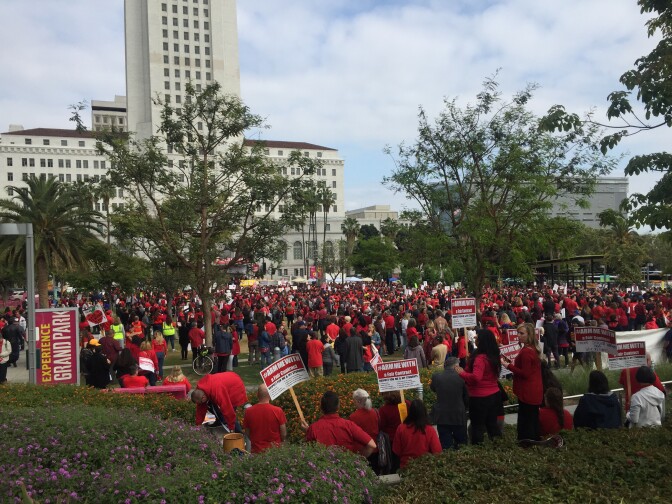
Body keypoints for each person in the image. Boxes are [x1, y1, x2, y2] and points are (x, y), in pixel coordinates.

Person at [456, 329, 502, 444]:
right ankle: (498, 447)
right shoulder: (493, 354)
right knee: (492, 425)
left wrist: (461, 373)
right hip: (494, 394)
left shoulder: (480, 358)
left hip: (479, 397)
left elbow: (476, 377)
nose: (474, 339)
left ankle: (478, 450)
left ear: (482, 341)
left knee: (477, 427)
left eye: (477, 338)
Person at [301, 391, 376, 456]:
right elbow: (372, 445)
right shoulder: (348, 425)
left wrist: (308, 431)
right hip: (347, 469)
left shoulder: (313, 428)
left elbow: (309, 452)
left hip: (324, 470)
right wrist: (357, 460)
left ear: (321, 408)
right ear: (338, 406)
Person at [502, 323, 543, 441]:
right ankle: (533, 440)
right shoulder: (532, 348)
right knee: (532, 418)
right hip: (534, 389)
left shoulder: (526, 351)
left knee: (526, 420)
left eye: (521, 333)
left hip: (528, 390)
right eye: (518, 333)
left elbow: (525, 373)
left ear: (529, 335)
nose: (518, 336)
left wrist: (508, 365)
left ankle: (527, 442)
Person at [430, 356, 468, 449]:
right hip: (458, 414)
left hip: (442, 415)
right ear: (456, 366)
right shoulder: (462, 377)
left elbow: (433, 388)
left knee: (445, 444)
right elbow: (467, 396)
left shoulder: (436, 377)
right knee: (461, 444)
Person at [393, 399, 442, 469]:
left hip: (405, 467)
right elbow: (437, 451)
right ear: (424, 412)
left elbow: (396, 450)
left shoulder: (401, 428)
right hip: (425, 468)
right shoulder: (429, 429)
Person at [243, 384, 287, 453]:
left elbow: (247, 433)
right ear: (270, 395)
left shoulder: (248, 412)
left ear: (257, 395)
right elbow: (283, 433)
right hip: (275, 451)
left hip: (257, 451)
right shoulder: (278, 411)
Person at [378, 390, 410, 473]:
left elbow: (381, 426)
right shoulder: (407, 404)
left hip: (392, 440)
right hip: (407, 436)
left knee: (395, 461)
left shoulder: (383, 410)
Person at [349, 389, 380, 472]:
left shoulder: (354, 417)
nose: (353, 403)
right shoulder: (375, 412)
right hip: (376, 449)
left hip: (362, 451)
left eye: (354, 400)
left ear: (358, 401)